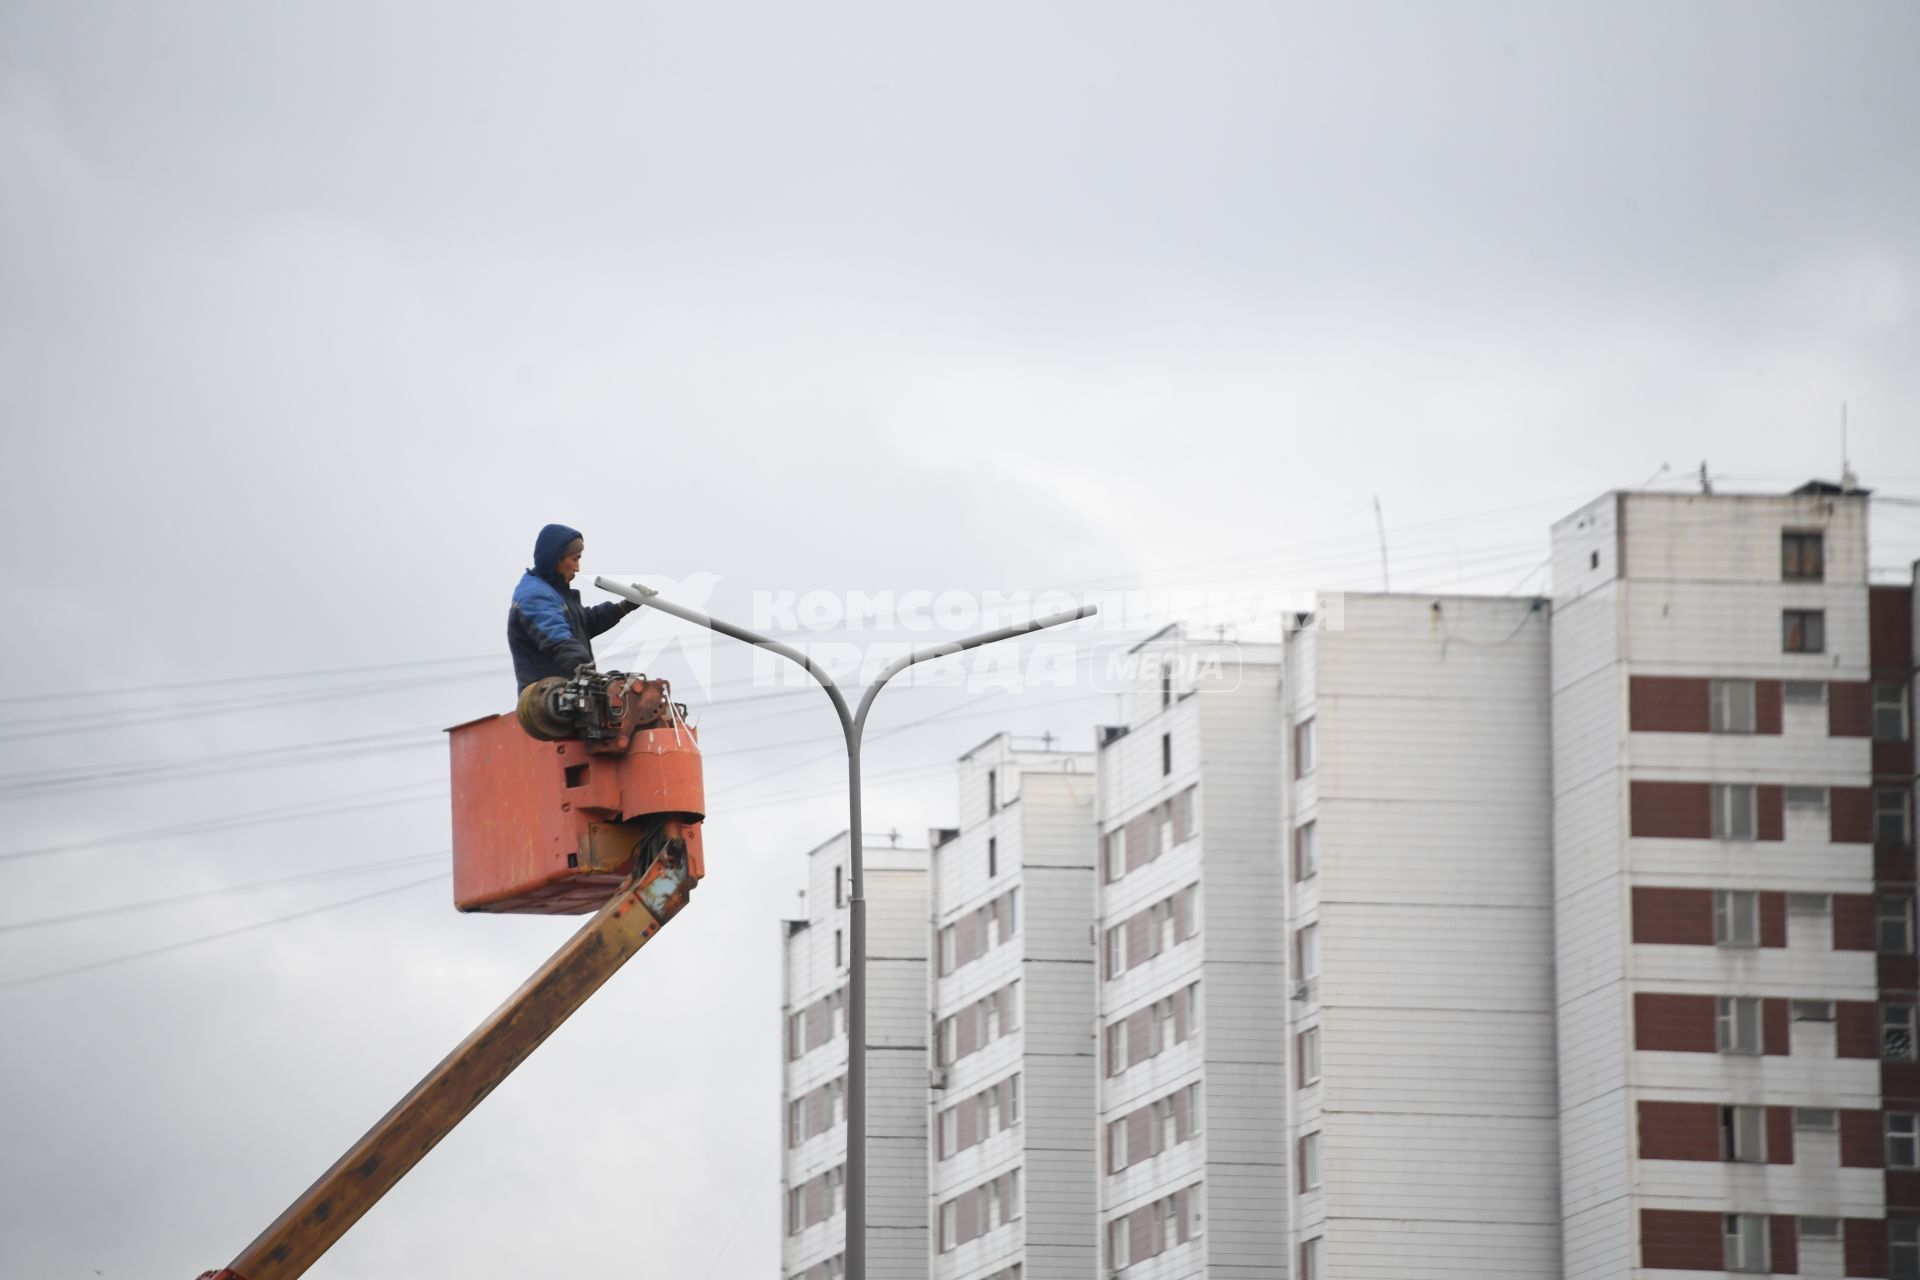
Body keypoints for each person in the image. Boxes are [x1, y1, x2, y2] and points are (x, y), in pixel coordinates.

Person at [507, 523, 638, 692]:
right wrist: (590, 673)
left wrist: (625, 606)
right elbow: (558, 640)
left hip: (569, 696)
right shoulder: (535, 595)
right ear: (555, 559)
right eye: (574, 559)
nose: (577, 568)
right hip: (548, 703)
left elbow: (584, 623)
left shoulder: (554, 593)